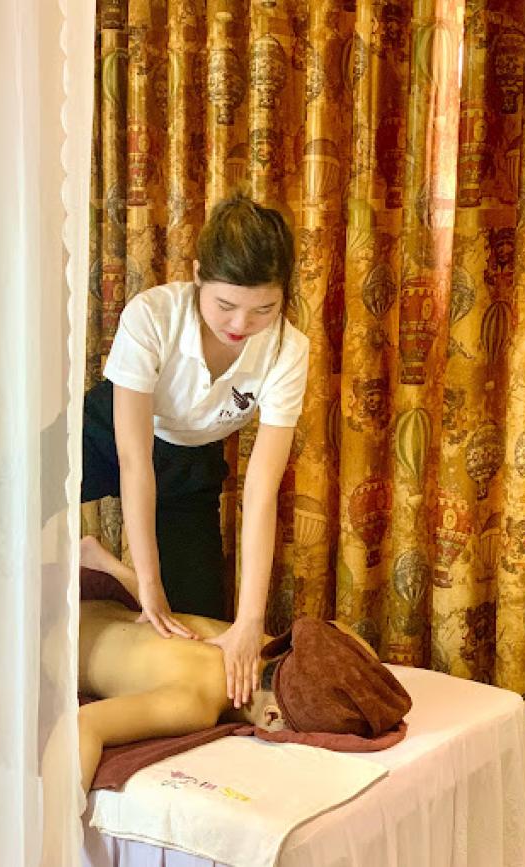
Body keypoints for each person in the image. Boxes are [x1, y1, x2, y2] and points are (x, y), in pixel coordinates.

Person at [81, 192, 309, 709]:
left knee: (193, 625)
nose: (240, 324)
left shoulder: (287, 349)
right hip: (107, 434)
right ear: (199, 275)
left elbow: (261, 490)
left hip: (189, 461)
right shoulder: (152, 315)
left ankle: (103, 562)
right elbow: (134, 460)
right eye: (225, 305)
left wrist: (249, 621)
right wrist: (149, 581)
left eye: (263, 309)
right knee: (1, 507)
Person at [74, 537, 410, 794]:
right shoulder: (194, 704)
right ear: (272, 718)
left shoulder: (259, 645)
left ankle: (102, 562)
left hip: (101, 611)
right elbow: (84, 723)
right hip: (53, 638)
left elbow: (338, 634)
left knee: (158, 624)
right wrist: (61, 827)